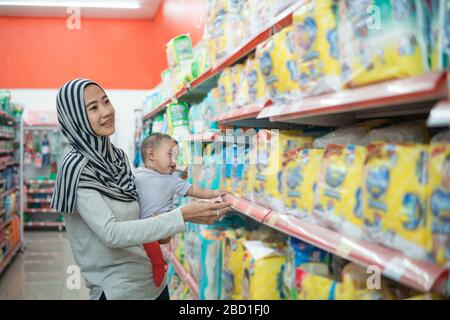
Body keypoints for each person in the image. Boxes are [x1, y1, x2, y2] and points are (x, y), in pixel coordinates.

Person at [50, 78, 231, 300]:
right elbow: (112, 233)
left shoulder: (116, 156)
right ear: (75, 118)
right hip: (119, 291)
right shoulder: (76, 168)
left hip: (153, 283)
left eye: (106, 101)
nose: (106, 111)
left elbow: (135, 218)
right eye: (93, 108)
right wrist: (181, 215)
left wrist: (162, 230)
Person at [134, 133, 227, 288]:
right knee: (146, 249)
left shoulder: (172, 180)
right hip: (140, 227)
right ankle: (155, 266)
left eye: (176, 157)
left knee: (154, 249)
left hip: (162, 225)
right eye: (170, 155)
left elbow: (196, 191)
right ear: (151, 155)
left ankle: (158, 266)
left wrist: (215, 194)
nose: (174, 161)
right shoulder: (136, 175)